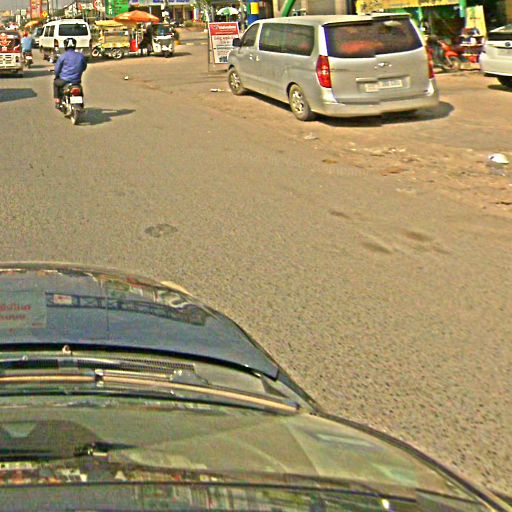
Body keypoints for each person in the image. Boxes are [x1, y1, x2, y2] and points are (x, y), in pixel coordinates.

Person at [53, 38, 87, 108]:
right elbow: (84, 67)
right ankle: (81, 104)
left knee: (55, 83)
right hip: (76, 81)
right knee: (80, 89)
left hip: (64, 81)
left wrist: (56, 76)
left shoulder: (62, 56)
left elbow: (57, 70)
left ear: (65, 46)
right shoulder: (81, 56)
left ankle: (57, 100)